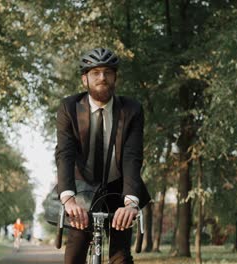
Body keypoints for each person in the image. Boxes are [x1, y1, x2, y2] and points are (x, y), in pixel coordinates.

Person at [55, 48, 151, 264]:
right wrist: (69, 199)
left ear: (115, 77)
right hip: (82, 187)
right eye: (95, 72)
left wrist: (130, 203)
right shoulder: (69, 108)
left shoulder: (132, 109)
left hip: (118, 187)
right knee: (75, 252)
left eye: (107, 72)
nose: (102, 77)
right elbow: (65, 154)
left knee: (121, 257)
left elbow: (132, 156)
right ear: (84, 79)